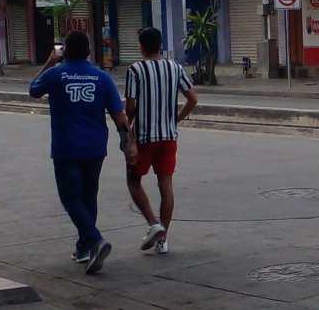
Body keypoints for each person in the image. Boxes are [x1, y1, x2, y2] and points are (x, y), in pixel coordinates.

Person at [29, 31, 135, 274]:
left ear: (64, 50)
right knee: (88, 196)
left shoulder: (55, 74)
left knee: (70, 198)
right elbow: (119, 116)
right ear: (88, 50)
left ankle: (96, 240)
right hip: (95, 147)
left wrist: (48, 62)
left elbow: (33, 90)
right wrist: (127, 143)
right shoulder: (102, 77)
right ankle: (85, 247)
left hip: (67, 148)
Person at [125, 27, 198, 255]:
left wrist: (130, 139)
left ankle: (152, 224)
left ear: (141, 46)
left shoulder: (135, 70)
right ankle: (163, 239)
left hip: (145, 137)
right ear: (160, 45)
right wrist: (176, 119)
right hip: (168, 137)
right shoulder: (174, 67)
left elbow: (130, 108)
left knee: (133, 181)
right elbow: (192, 99)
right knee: (166, 186)